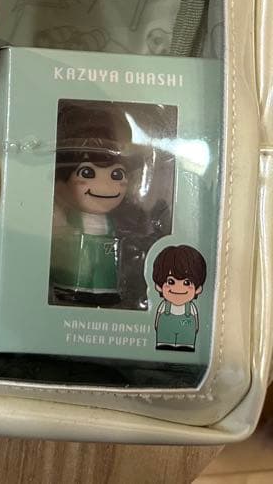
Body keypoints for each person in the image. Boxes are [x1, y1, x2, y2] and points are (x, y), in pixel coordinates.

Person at [49, 102, 139, 306]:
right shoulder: (69, 217)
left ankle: (104, 291)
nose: (105, 185)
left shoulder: (113, 221)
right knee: (80, 273)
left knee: (104, 275)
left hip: (106, 261)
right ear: (62, 184)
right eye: (87, 173)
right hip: (75, 267)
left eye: (117, 175)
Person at [152, 245, 207, 352]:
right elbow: (158, 318)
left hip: (186, 336)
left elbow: (196, 322)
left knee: (186, 347)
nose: (178, 288)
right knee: (164, 346)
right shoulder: (164, 305)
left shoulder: (191, 308)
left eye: (187, 282)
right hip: (165, 334)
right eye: (171, 281)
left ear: (198, 289)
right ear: (159, 286)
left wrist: (195, 330)